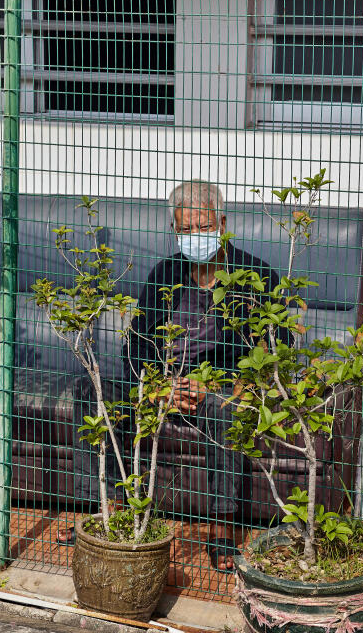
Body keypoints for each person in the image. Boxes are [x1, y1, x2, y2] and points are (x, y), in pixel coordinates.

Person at [123, 180, 288, 572]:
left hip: (219, 391)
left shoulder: (255, 276)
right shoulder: (165, 273)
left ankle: (221, 529)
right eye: (186, 230)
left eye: (203, 227)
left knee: (222, 412)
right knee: (90, 392)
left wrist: (221, 386)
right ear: (175, 231)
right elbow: (136, 342)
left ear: (223, 225)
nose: (195, 237)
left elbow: (278, 347)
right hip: (167, 386)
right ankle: (102, 510)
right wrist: (159, 388)